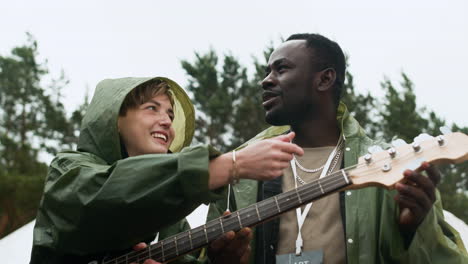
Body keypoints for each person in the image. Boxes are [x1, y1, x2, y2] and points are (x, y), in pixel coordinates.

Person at [208, 33, 468, 263]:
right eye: (267, 71)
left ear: (325, 79)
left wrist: (415, 231)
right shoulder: (239, 167)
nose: (266, 81)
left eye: (281, 69)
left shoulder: (392, 165)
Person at [30, 76, 303, 264]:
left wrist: (220, 260)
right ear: (114, 121)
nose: (166, 122)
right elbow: (106, 197)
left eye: (171, 115)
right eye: (152, 108)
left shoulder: (171, 215)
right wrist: (231, 164)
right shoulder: (68, 169)